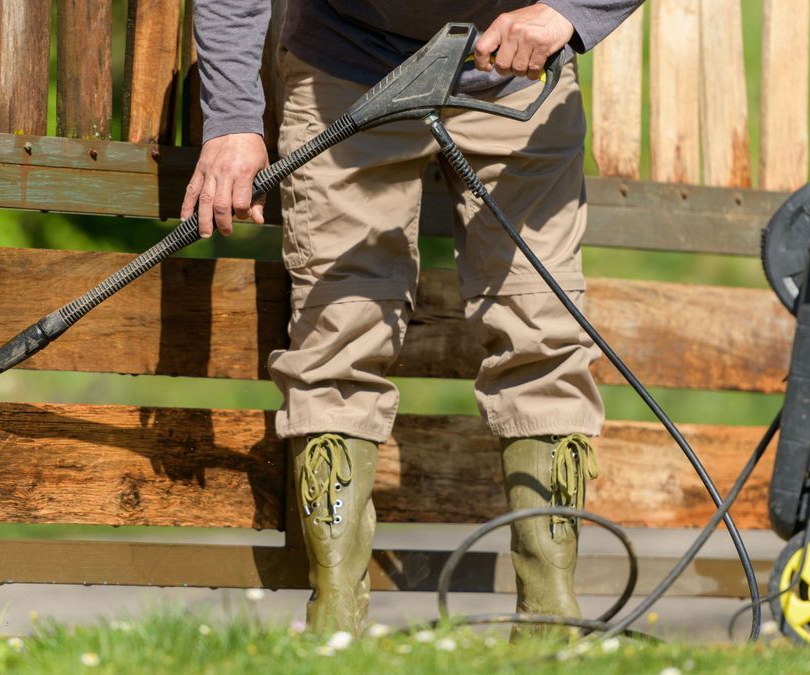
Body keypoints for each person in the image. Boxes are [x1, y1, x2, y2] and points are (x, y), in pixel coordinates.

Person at [184, 0, 641, 634]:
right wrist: (233, 118)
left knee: (543, 331)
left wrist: (569, 12)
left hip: (516, 75)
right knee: (335, 336)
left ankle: (549, 618)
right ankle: (335, 615)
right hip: (347, 67)